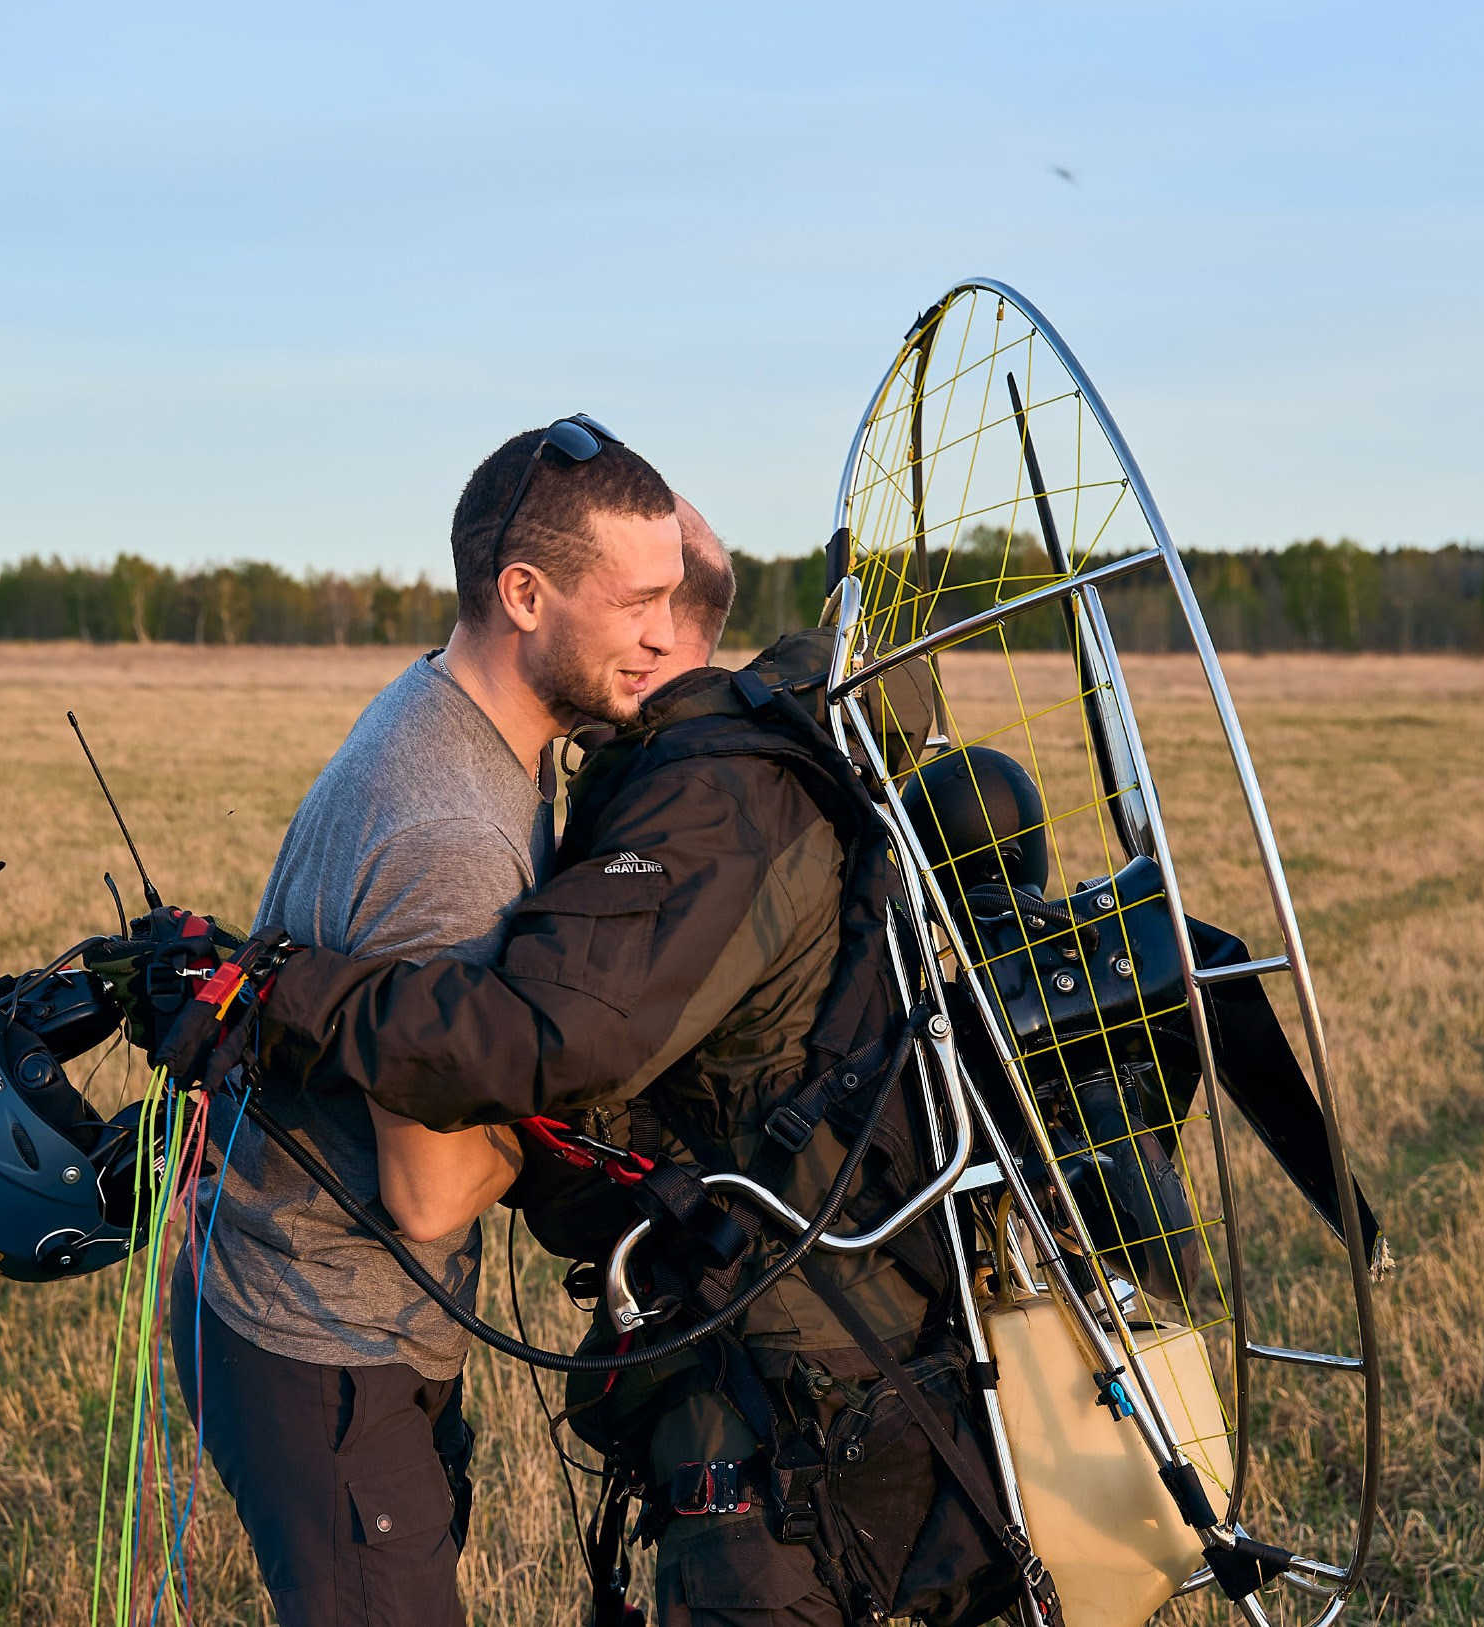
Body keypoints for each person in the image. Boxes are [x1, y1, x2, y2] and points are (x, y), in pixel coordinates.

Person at [228, 554, 1053, 1626]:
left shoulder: (709, 809)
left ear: (667, 634)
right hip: (846, 1360)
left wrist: (287, 1003)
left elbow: (535, 1069)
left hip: (775, 1404)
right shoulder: (802, 780)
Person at [169, 415, 685, 1627]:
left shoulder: (468, 720)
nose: (664, 636)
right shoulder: (451, 829)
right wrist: (587, 1073)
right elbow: (432, 1193)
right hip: (324, 1338)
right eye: (637, 601)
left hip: (320, 1317)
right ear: (523, 593)